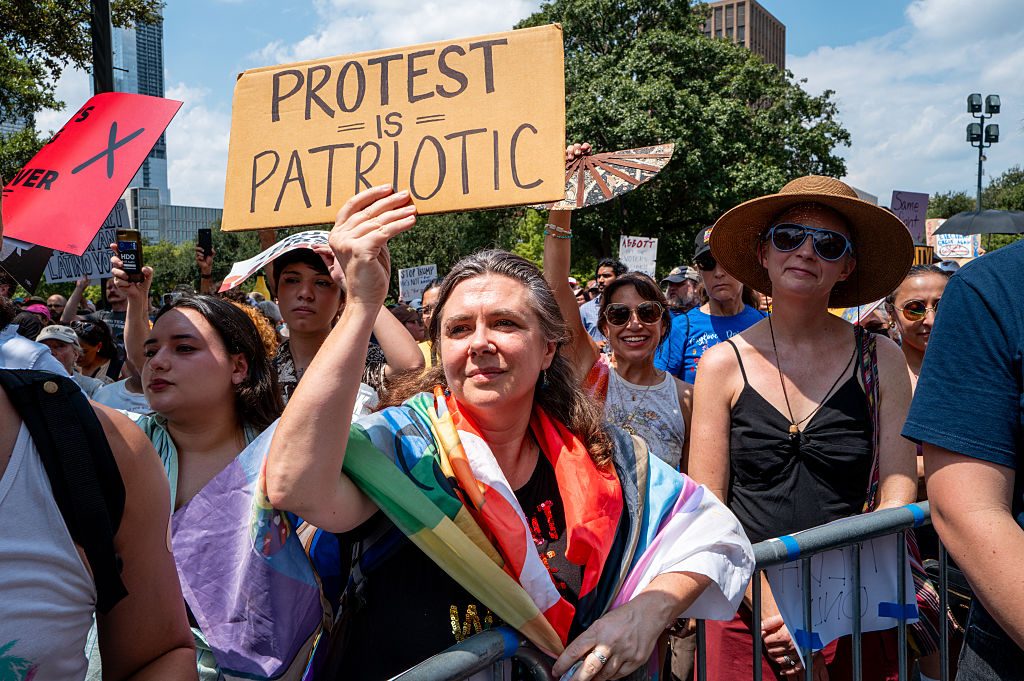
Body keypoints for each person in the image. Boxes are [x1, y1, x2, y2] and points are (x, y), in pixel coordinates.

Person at [265, 186, 753, 681]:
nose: (479, 343)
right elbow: (292, 484)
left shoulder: (606, 460)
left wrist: (647, 611)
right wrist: (361, 304)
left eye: (504, 323)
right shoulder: (401, 451)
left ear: (547, 351)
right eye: (457, 329)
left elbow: (713, 532)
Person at [689, 175, 919, 680]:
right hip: (747, 605)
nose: (806, 252)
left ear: (847, 267)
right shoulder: (720, 364)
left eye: (829, 244)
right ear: (764, 253)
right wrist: (771, 606)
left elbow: (898, 490)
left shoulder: (881, 357)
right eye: (789, 237)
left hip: (857, 598)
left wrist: (831, 601)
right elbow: (710, 504)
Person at [112, 250, 308, 679]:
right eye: (151, 351)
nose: (158, 362)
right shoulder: (119, 444)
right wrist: (135, 303)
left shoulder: (284, 451)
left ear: (239, 366)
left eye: (184, 348)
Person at [904, 240, 1024, 679]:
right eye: (914, 308)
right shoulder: (993, 291)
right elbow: (965, 508)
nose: (929, 318)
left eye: (937, 304)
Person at [543, 145, 693, 472]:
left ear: (663, 325)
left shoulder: (687, 399)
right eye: (620, 315)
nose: (634, 323)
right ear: (605, 328)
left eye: (648, 312)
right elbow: (554, 282)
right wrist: (564, 195)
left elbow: (695, 485)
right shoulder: (589, 371)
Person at [270, 246, 423, 404]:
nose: (305, 293)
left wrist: (361, 292)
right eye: (292, 280)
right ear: (276, 291)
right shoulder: (263, 375)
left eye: (322, 283)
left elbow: (410, 367)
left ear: (343, 298)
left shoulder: (360, 360)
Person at [655, 227, 765, 384]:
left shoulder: (766, 324)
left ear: (742, 265)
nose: (719, 272)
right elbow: (660, 385)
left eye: (727, 260)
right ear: (699, 271)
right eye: (707, 263)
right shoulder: (681, 327)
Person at [36, 324, 106, 397]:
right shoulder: (26, 382)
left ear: (76, 354)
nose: (51, 352)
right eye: (44, 346)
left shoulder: (93, 388)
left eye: (60, 346)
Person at [578, 257, 627, 344]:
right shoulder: (585, 309)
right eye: (598, 276)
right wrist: (594, 346)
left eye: (606, 276)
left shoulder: (628, 307)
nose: (600, 280)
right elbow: (577, 341)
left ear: (619, 278)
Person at [72, 317, 124, 383]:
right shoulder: (68, 364)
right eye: (74, 350)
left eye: (83, 351)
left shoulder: (118, 370)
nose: (76, 356)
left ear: (99, 346)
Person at [417, 278, 442, 367]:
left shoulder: (472, 347)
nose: (432, 315)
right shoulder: (417, 354)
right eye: (426, 310)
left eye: (438, 307)